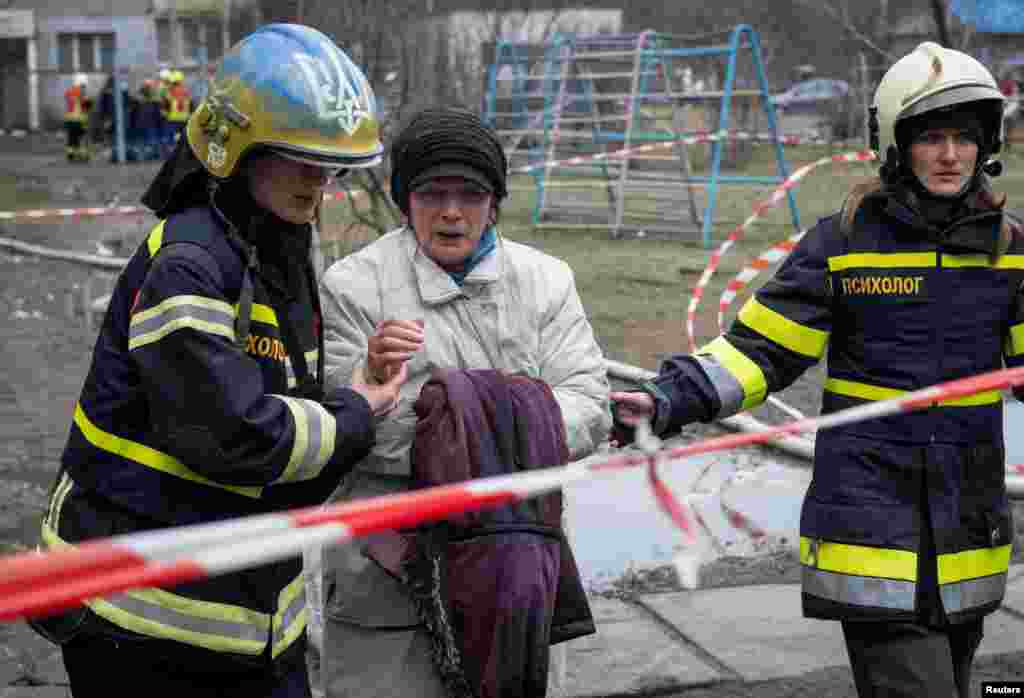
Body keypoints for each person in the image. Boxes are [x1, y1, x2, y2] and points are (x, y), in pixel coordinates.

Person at [611, 41, 1020, 698]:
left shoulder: (1010, 251)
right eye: (933, 138)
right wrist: (666, 401)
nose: (950, 155)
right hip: (871, 536)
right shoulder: (845, 242)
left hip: (969, 536)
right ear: (897, 143)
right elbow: (759, 352)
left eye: (965, 139)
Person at [30, 24, 402, 698]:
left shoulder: (276, 244)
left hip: (250, 619)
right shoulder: (192, 263)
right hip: (144, 627)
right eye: (295, 158)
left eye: (329, 164)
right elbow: (232, 436)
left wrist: (352, 387)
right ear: (234, 148)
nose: (317, 181)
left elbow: (283, 400)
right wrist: (356, 413)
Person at [316, 105, 612, 697]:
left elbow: (589, 405)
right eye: (432, 194)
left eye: (470, 194)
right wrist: (369, 376)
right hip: (387, 570)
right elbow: (347, 425)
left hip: (515, 561)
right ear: (406, 202)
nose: (451, 212)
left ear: (494, 202)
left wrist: (462, 412)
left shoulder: (546, 281)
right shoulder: (353, 286)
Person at [63, 73, 91, 162]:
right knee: (81, 137)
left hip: (69, 119)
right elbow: (87, 105)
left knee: (71, 137)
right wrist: (90, 101)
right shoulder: (82, 92)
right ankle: (83, 155)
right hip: (80, 119)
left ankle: (70, 153)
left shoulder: (69, 92)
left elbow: (69, 102)